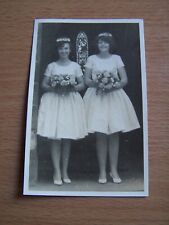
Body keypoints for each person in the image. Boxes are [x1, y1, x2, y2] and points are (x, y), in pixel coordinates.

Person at [84, 32, 140, 184]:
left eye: (106, 42)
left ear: (110, 44)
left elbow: (124, 80)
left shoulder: (116, 59)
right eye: (101, 42)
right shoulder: (92, 59)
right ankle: (102, 171)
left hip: (114, 96)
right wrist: (99, 83)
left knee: (114, 133)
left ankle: (113, 170)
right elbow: (87, 80)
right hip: (97, 98)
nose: (103, 45)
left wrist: (111, 85)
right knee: (100, 134)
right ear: (97, 44)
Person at [37, 37, 87, 185]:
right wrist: (56, 87)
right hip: (55, 102)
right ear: (57, 50)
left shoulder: (75, 66)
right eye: (61, 48)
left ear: (70, 50)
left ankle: (65, 171)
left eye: (66, 48)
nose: (63, 51)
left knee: (67, 137)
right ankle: (56, 171)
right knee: (56, 137)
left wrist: (71, 87)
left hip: (70, 103)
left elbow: (82, 85)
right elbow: (44, 84)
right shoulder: (52, 66)